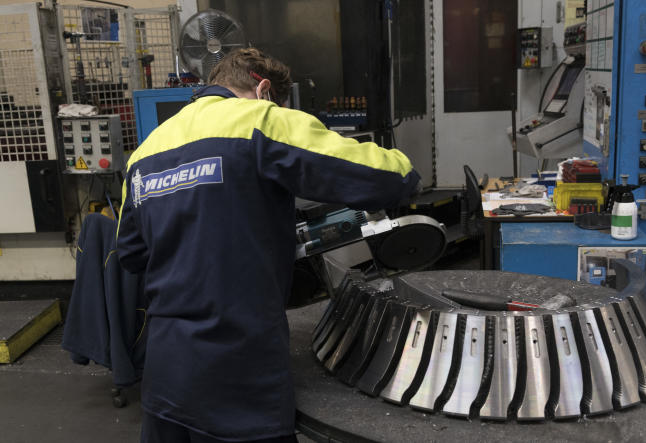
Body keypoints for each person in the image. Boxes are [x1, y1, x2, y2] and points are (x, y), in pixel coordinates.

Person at [116, 47, 421, 443]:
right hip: (238, 370)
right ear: (263, 88)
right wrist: (404, 169)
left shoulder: (146, 151)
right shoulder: (259, 120)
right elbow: (385, 177)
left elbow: (132, 252)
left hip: (166, 372)